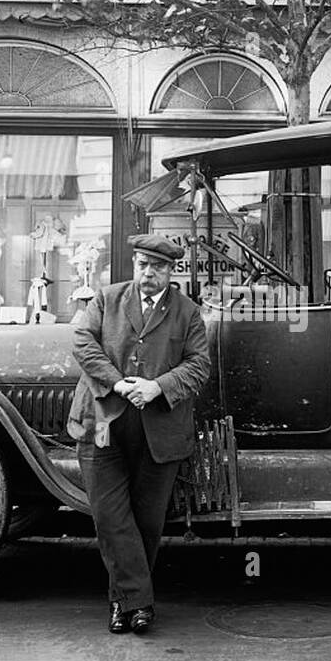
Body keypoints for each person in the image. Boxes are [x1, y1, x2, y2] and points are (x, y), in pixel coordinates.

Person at [68, 233, 211, 634]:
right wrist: (116, 383)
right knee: (112, 519)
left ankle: (124, 605)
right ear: (135, 265)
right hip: (103, 423)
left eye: (159, 267)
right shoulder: (106, 299)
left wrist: (158, 386)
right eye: (143, 265)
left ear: (171, 271)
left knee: (147, 522)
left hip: (160, 429)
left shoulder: (188, 312)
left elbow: (200, 366)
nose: (150, 273)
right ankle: (139, 603)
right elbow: (82, 342)